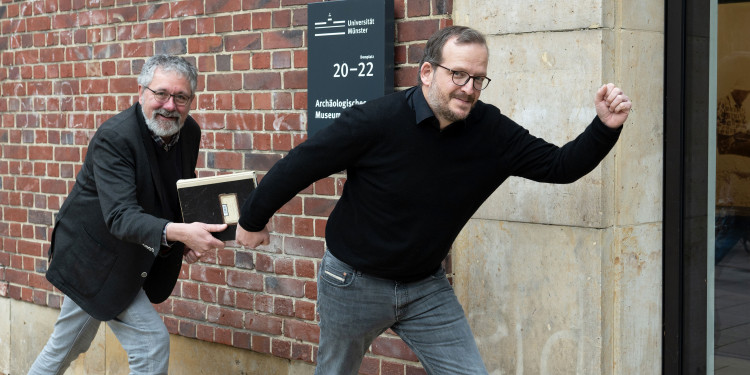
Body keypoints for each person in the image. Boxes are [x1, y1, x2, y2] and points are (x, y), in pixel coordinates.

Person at [236, 26, 631, 374]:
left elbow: (558, 166)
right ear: (427, 72)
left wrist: (604, 128)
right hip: (352, 282)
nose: (469, 88)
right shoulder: (375, 121)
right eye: (458, 74)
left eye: (478, 78)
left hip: (425, 288)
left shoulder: (489, 131)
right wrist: (252, 219)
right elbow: (301, 165)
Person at [28, 55, 227, 375]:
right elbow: (120, 215)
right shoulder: (115, 138)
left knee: (68, 344)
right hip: (92, 257)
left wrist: (188, 230)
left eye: (181, 97)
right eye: (161, 93)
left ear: (192, 100)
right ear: (141, 92)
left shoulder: (189, 131)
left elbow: (178, 187)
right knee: (151, 345)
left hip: (126, 255)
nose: (170, 105)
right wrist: (177, 232)